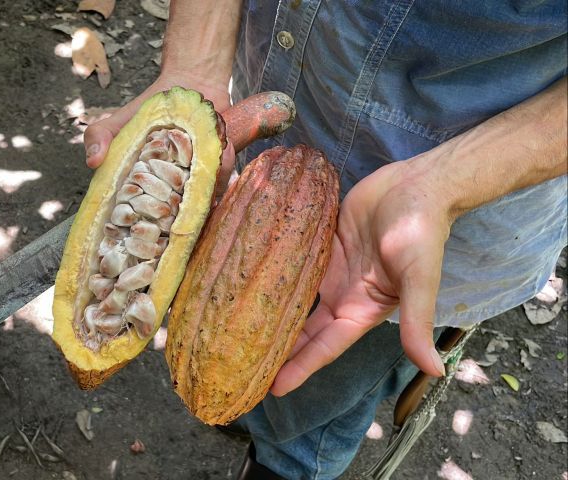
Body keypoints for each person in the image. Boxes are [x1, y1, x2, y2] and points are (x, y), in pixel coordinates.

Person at [84, 2, 568, 478]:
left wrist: (446, 184)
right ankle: (247, 421)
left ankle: (285, 465)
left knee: (311, 416)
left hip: (407, 240)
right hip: (259, 154)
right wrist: (196, 62)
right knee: (237, 368)